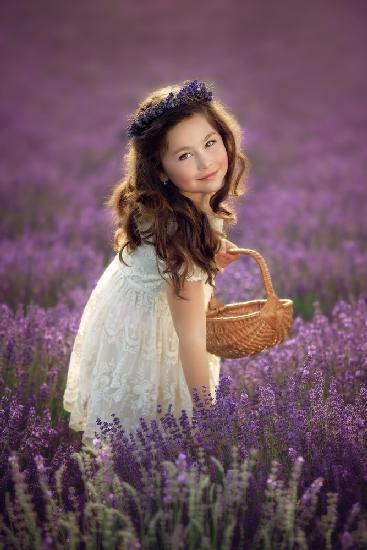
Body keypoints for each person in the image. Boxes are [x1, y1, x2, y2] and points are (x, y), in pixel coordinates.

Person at [62, 79, 250, 449]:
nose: (206, 161)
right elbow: (191, 338)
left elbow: (168, 279)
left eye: (210, 143)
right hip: (148, 335)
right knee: (152, 437)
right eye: (184, 155)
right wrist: (207, 420)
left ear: (225, 138)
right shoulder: (179, 232)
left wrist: (208, 266)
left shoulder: (177, 204)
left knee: (143, 445)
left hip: (132, 314)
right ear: (161, 170)